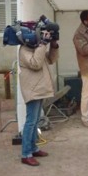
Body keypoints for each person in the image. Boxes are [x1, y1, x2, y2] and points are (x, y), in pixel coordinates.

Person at [18, 31, 59, 166]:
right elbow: (35, 63)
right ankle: (26, 154)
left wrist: (53, 46)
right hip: (32, 90)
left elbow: (51, 60)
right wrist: (42, 45)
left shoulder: (36, 48)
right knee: (30, 122)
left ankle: (33, 148)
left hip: (39, 89)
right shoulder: (24, 50)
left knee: (35, 121)